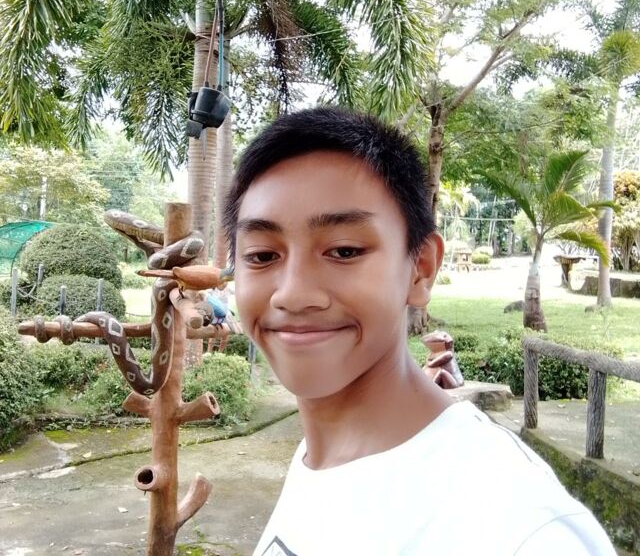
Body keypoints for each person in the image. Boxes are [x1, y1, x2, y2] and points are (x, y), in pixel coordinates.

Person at [222, 107, 616, 556]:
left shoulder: (517, 526)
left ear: (421, 268)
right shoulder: (321, 459)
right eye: (262, 256)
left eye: (344, 250)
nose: (293, 294)